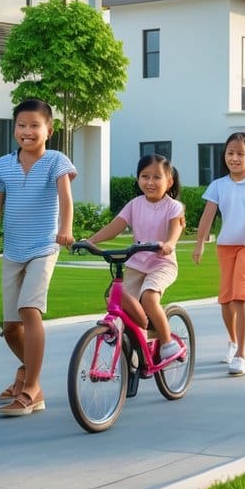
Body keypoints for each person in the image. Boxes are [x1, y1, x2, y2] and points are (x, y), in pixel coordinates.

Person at [0, 98, 76, 416]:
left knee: (29, 309)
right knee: (11, 328)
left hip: (44, 248)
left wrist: (65, 228)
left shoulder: (56, 161)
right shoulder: (3, 166)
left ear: (49, 131)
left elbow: (65, 198)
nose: (27, 131)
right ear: (14, 129)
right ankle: (26, 371)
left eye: (34, 125)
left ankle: (31, 390)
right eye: (21, 125)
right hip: (13, 251)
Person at [83, 154, 186, 364]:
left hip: (162, 264)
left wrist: (169, 243)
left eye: (157, 177)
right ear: (138, 179)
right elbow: (115, 226)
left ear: (169, 181)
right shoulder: (135, 204)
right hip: (136, 264)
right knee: (114, 298)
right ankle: (140, 333)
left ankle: (167, 343)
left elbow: (175, 228)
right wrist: (90, 241)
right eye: (145, 176)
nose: (150, 182)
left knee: (149, 297)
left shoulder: (173, 207)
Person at [193, 132, 245, 377]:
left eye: (240, 153)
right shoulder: (218, 185)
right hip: (225, 246)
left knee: (240, 298)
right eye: (230, 153)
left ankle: (241, 354)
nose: (234, 158)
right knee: (226, 300)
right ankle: (232, 341)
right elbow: (207, 216)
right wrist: (200, 243)